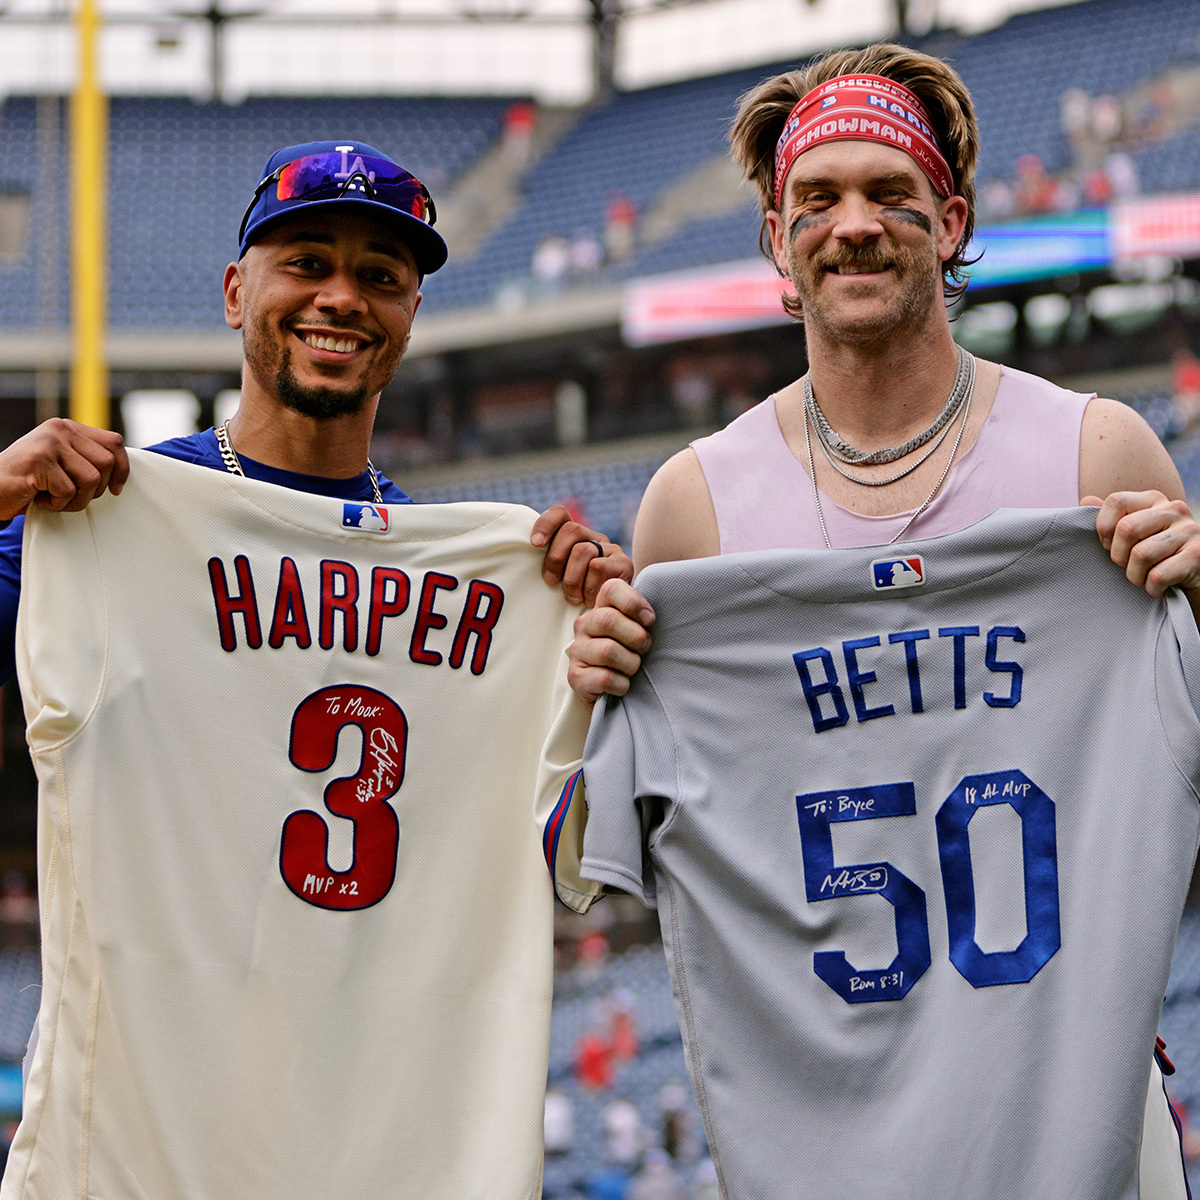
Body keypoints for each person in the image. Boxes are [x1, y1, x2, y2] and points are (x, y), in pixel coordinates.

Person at [566, 45, 1199, 1199]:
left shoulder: (1096, 454)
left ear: (949, 221)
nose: (853, 225)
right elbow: (608, 862)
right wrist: (592, 684)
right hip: (824, 1140)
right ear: (775, 236)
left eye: (890, 195)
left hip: (1086, 1123)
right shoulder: (691, 508)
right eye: (819, 198)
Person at [0, 140, 629, 1200]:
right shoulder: (107, 523)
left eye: (381, 276)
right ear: (239, 288)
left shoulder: (500, 578)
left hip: (386, 1155)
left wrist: (601, 647)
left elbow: (591, 849)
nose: (342, 297)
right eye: (307, 263)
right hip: (137, 1157)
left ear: (411, 315)